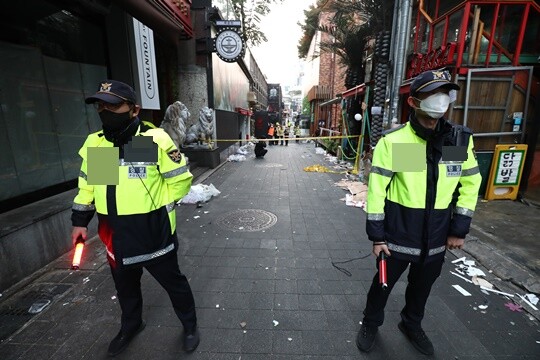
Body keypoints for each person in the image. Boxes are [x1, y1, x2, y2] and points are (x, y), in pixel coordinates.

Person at [356, 70, 482, 355]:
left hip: (437, 237)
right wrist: (377, 237)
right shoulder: (397, 142)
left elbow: (470, 182)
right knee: (383, 285)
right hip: (398, 235)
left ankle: (411, 324)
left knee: (422, 288)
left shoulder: (457, 140)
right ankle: (371, 322)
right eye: (431, 93)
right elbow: (378, 189)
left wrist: (458, 229)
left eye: (444, 92)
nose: (440, 100)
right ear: (413, 102)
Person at [71, 80, 200, 356]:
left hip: (153, 232)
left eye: (114, 105)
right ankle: (131, 325)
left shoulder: (152, 140)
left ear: (134, 109)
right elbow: (89, 186)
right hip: (115, 236)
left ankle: (189, 326)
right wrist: (80, 222)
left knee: (174, 283)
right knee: (125, 289)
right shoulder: (98, 144)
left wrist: (161, 210)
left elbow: (179, 181)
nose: (106, 111)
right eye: (101, 105)